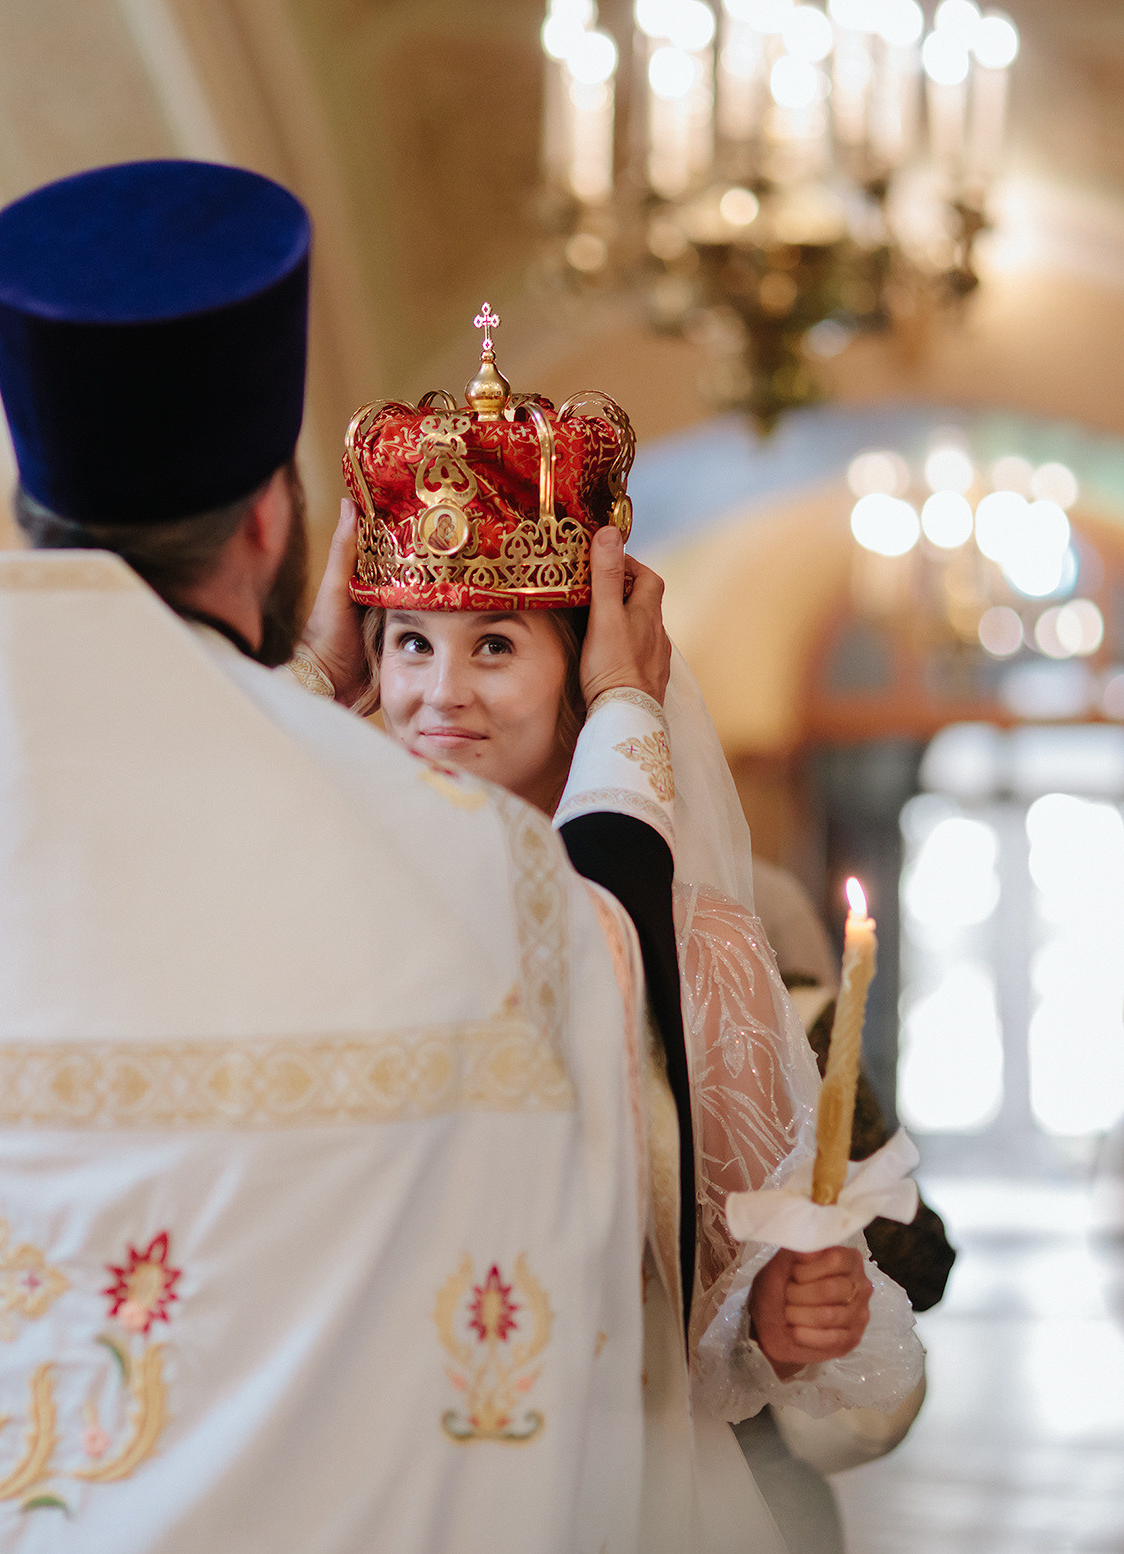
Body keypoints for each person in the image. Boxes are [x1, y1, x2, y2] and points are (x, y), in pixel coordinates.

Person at [0, 159, 677, 1552]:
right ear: (270, 521)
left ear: (34, 506)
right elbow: (589, 1024)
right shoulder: (467, 874)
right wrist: (622, 718)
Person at [296, 329, 925, 1551]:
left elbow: (733, 1294)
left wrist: (786, 1314)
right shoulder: (319, 911)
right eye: (408, 643)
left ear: (587, 677)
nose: (441, 694)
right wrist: (307, 676)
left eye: (492, 645)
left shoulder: (707, 955)